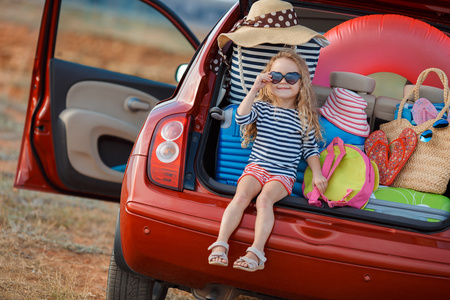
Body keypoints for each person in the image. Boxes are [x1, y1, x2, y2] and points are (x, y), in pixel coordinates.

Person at [208, 49, 328, 272]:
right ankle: (220, 245)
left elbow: (310, 149)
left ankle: (256, 252)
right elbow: (241, 117)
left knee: (264, 201)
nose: (284, 82)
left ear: (302, 83)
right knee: (241, 196)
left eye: (291, 77)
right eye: (276, 77)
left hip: (282, 175)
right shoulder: (261, 108)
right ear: (268, 80)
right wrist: (255, 88)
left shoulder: (304, 117)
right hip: (256, 168)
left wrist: (318, 174)